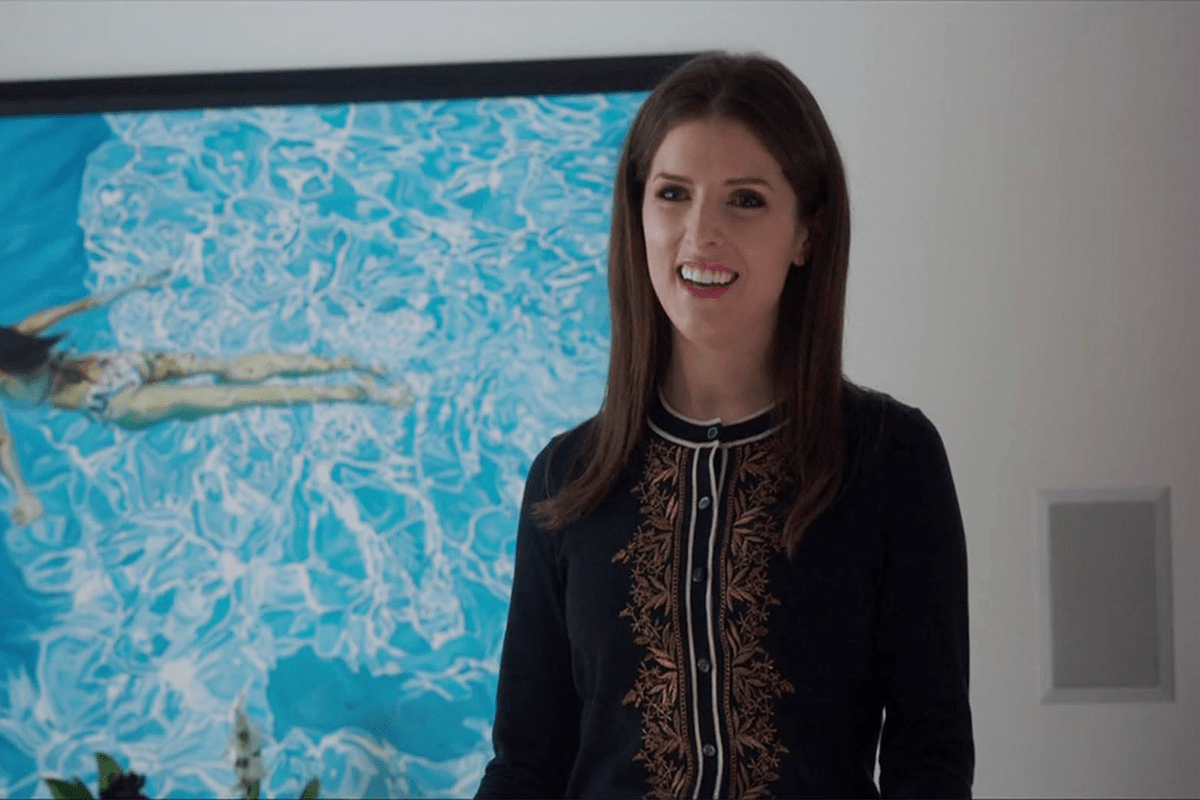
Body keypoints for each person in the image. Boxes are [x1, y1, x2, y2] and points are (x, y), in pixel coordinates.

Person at [475, 52, 974, 799]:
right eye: (673, 194)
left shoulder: (890, 458)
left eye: (745, 200)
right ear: (638, 212)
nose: (699, 233)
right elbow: (526, 763)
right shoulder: (567, 476)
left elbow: (929, 759)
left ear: (807, 230)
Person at [0, 270, 410, 527]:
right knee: (229, 368)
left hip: (112, 400)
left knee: (233, 397)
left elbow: (4, 442)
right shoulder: (23, 333)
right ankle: (351, 365)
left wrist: (23, 492)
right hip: (122, 363)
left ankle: (367, 396)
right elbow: (88, 302)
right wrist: (139, 284)